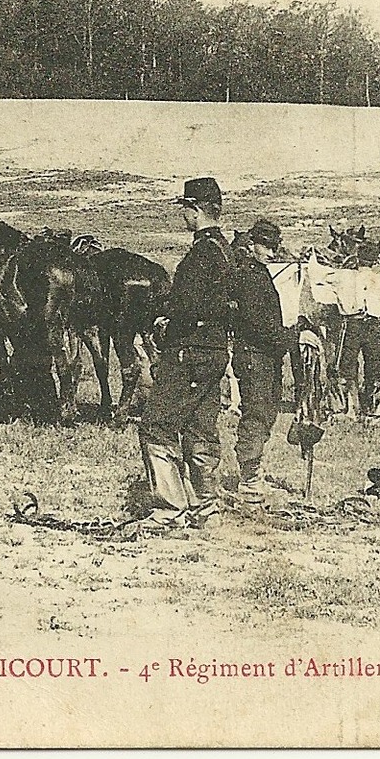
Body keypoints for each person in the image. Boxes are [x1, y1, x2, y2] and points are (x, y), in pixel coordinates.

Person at [134, 177, 235, 531]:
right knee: (200, 427)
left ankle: (170, 509)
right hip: (215, 350)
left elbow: (188, 304)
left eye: (186, 210)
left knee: (157, 425)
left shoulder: (200, 254)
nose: (184, 217)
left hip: (188, 350)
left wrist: (165, 317)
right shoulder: (227, 250)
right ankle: (207, 509)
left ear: (195, 211)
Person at [228, 219, 291, 506]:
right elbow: (257, 325)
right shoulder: (249, 276)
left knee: (265, 413)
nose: (271, 252)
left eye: (274, 246)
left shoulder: (257, 273)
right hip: (255, 355)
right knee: (256, 414)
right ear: (251, 244)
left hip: (265, 355)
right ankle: (249, 481)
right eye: (265, 246)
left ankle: (254, 474)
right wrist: (291, 338)